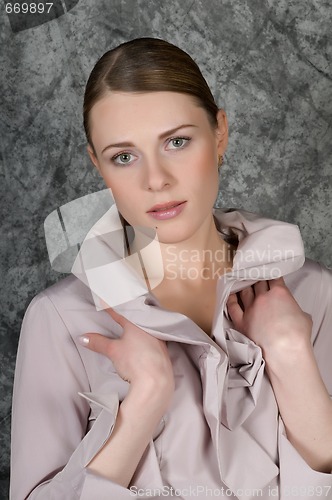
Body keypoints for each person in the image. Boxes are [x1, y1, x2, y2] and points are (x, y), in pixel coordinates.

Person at [10, 37, 332, 500]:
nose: (155, 179)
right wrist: (143, 404)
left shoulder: (314, 293)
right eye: (124, 156)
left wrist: (292, 358)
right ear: (97, 164)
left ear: (220, 133)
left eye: (177, 142)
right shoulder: (58, 321)